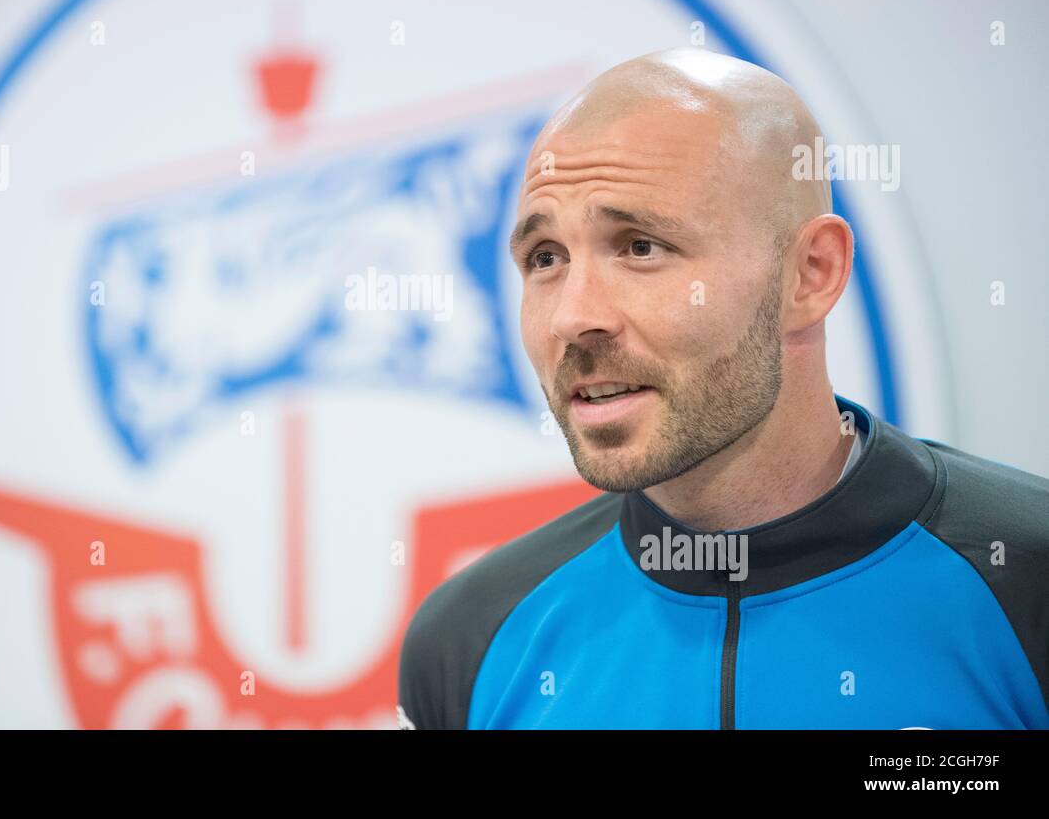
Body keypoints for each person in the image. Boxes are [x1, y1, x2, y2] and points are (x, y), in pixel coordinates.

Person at [396, 47, 1049, 729]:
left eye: (641, 246)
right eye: (545, 258)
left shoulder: (1027, 581)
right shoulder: (470, 641)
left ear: (811, 273)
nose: (573, 316)